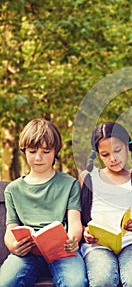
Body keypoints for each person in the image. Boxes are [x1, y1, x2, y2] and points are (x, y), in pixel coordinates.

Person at [0, 119, 87, 286]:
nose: (38, 158)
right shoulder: (13, 189)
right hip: (28, 254)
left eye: (46, 151)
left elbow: (75, 222)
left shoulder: (69, 184)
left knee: (75, 282)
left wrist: (73, 239)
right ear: (24, 151)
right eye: (32, 151)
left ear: (55, 152)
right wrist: (13, 246)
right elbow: (11, 227)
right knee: (6, 282)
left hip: (63, 251)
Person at [80, 122, 132, 287]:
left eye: (118, 151)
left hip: (129, 242)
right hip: (97, 245)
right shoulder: (89, 178)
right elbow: (81, 218)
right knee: (102, 280)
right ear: (97, 154)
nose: (113, 159)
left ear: (128, 147)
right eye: (105, 154)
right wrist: (85, 232)